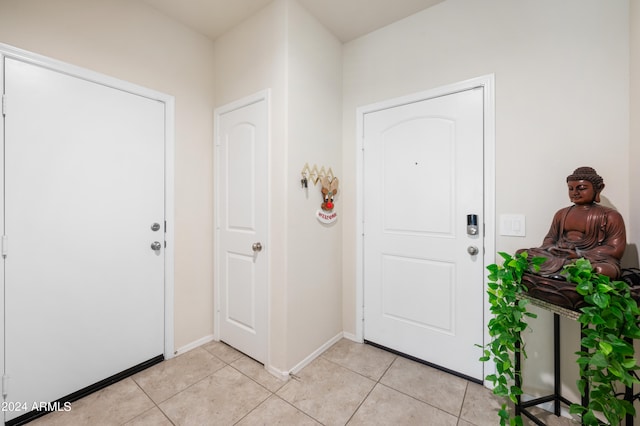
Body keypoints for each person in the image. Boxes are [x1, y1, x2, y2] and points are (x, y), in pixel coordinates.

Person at [518, 167, 626, 279]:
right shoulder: (561, 213)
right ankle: (565, 273)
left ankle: (560, 273)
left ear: (598, 189)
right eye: (571, 189)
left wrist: (579, 254)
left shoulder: (610, 216)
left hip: (589, 260)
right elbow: (550, 239)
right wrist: (552, 248)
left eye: (582, 188)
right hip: (559, 256)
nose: (575, 193)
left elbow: (615, 249)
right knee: (522, 254)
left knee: (602, 270)